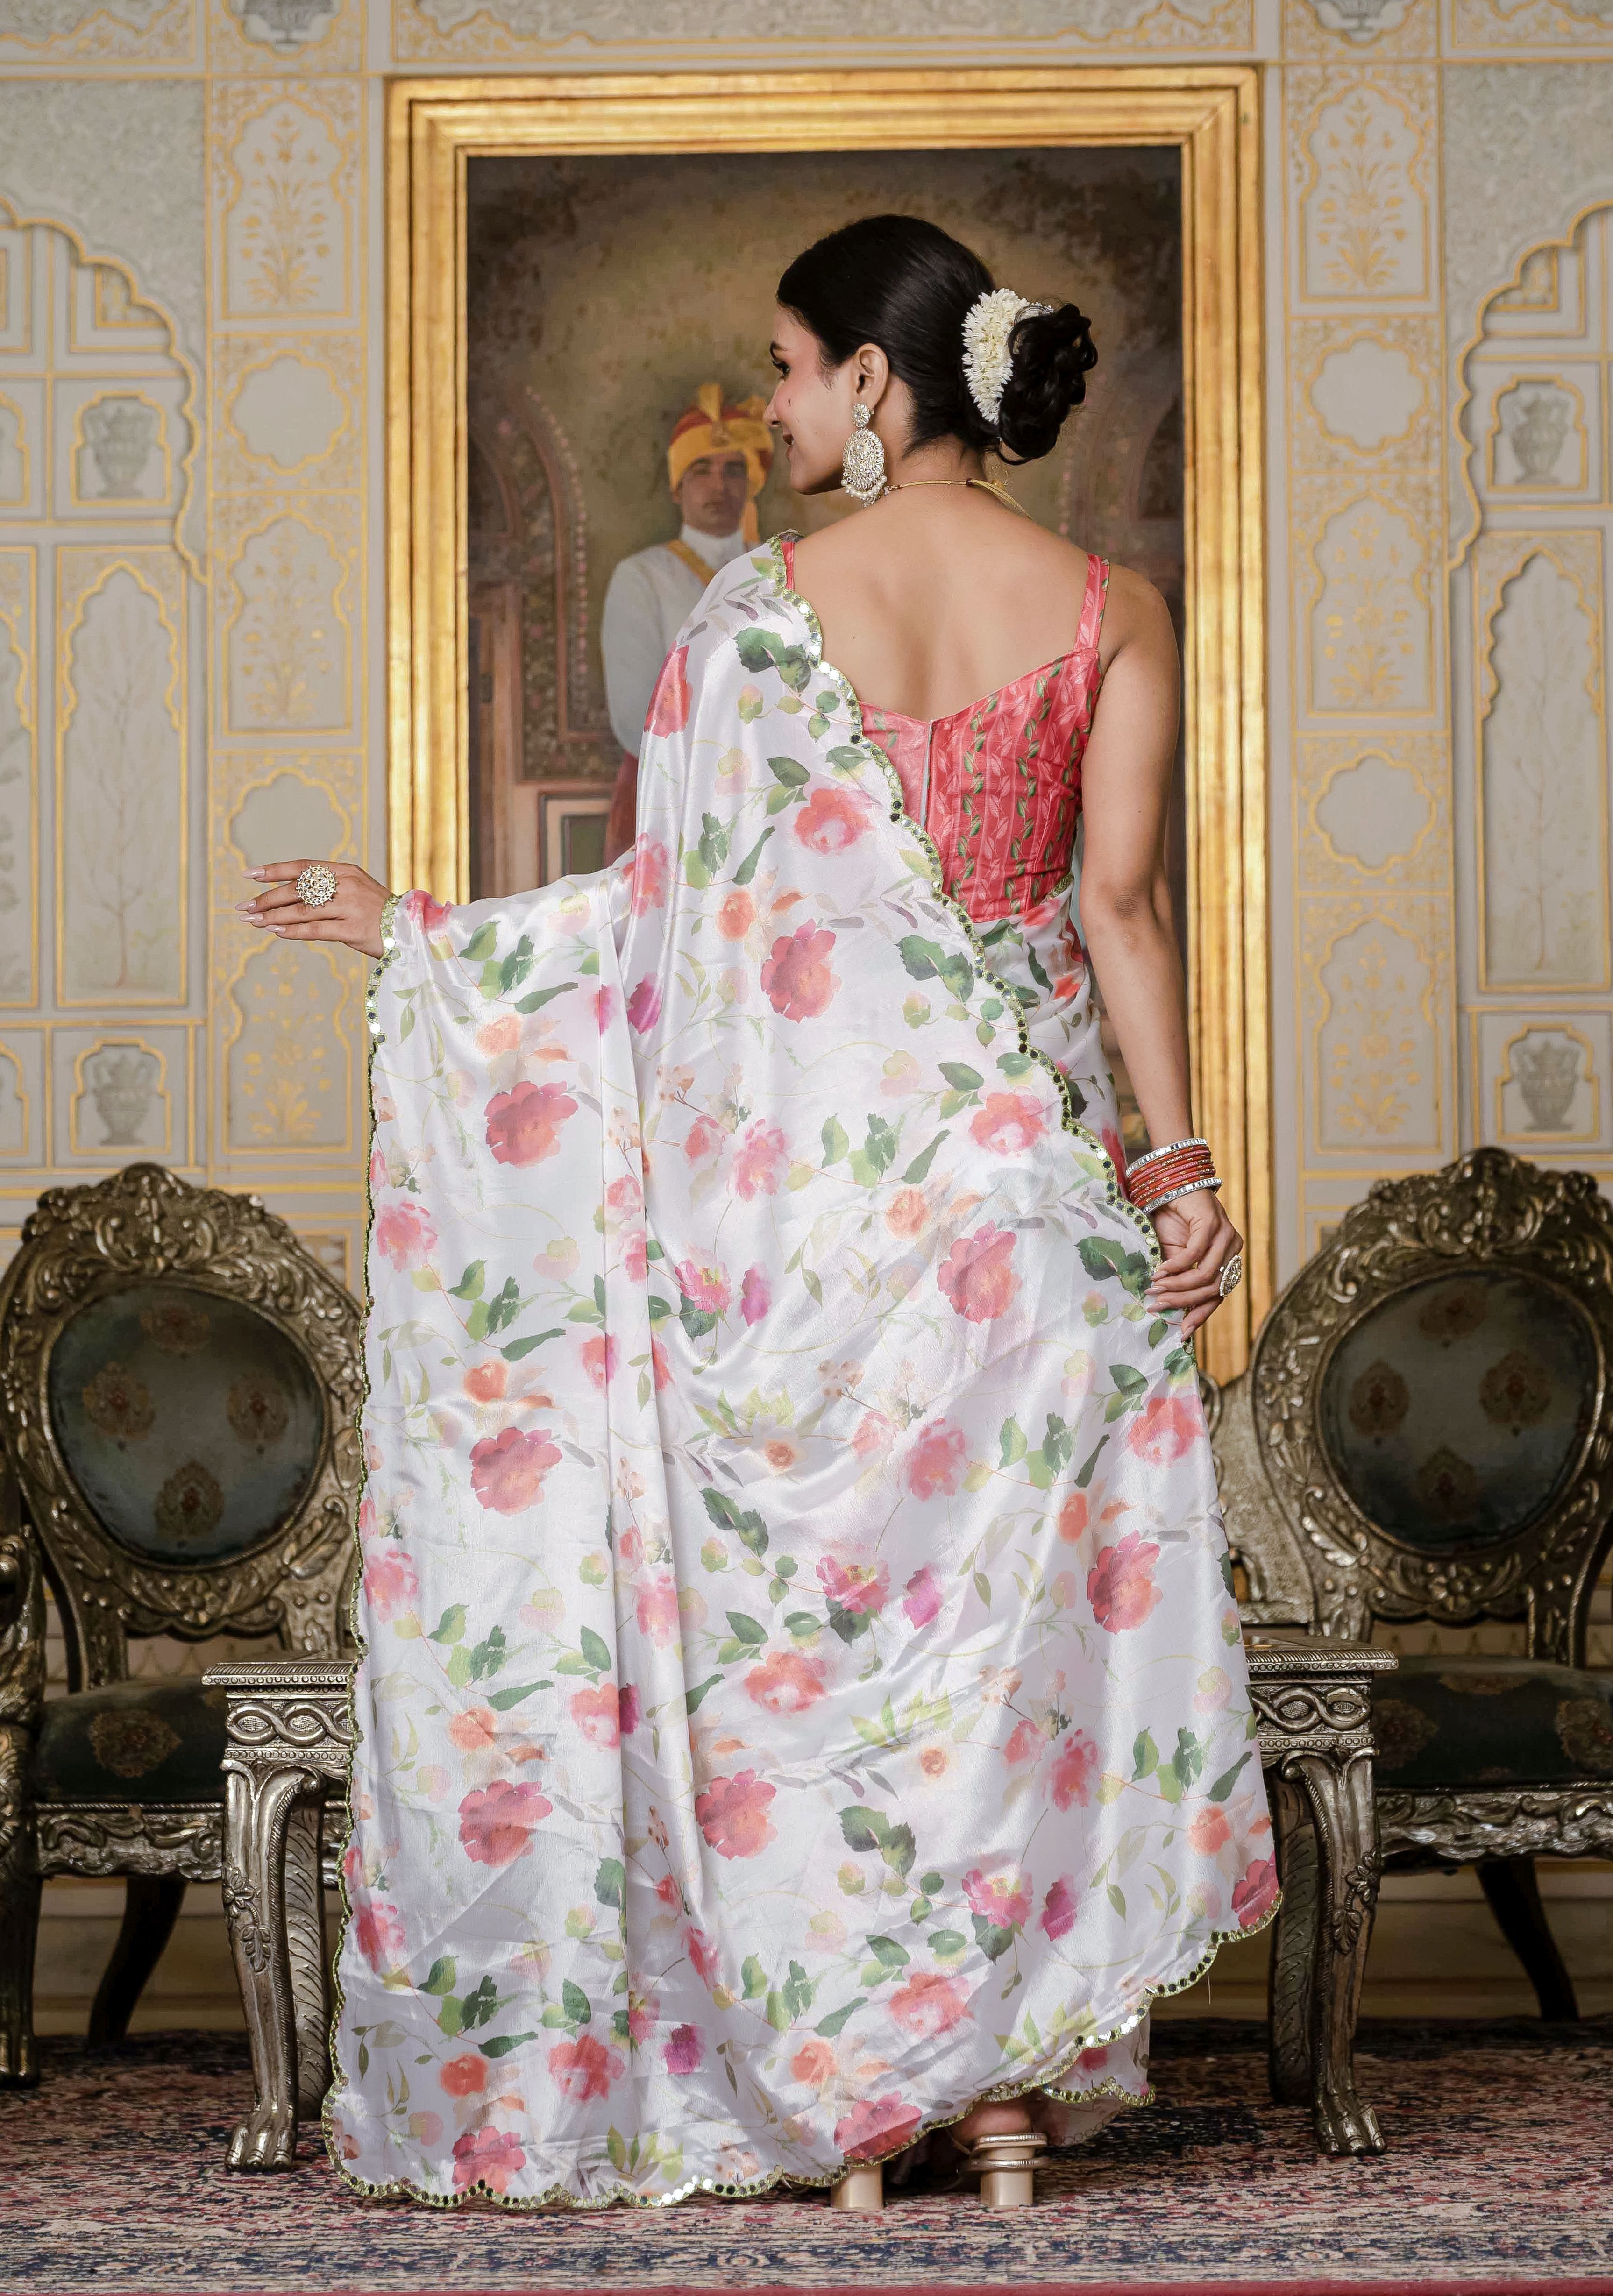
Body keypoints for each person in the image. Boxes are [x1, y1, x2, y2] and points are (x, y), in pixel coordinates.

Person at [245, 213, 1270, 2216]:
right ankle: (997, 2097)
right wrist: (1178, 1173)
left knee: (825, 1674)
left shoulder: (757, 617)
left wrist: (426, 941)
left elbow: (669, 932)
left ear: (875, 379)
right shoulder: (1109, 606)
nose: (776, 406)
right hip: (1036, 1213)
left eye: (794, 367)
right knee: (1001, 1672)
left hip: (816, 1230)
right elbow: (1120, 910)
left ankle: (862, 2101)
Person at [599, 383, 775, 862]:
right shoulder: (641, 577)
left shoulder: (774, 570)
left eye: (733, 470)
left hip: (767, 788)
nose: (719, 486)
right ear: (677, 487)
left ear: (751, 483)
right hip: (670, 793)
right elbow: (634, 713)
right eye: (702, 470)